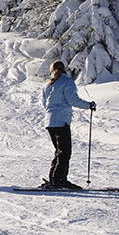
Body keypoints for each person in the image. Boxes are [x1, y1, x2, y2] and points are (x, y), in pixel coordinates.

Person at [41, 61, 95, 189]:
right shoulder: (67, 82)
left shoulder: (48, 85)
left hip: (50, 121)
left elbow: (44, 103)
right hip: (61, 121)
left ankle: (54, 179)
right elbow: (73, 100)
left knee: (59, 151)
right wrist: (89, 105)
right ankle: (59, 180)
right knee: (65, 152)